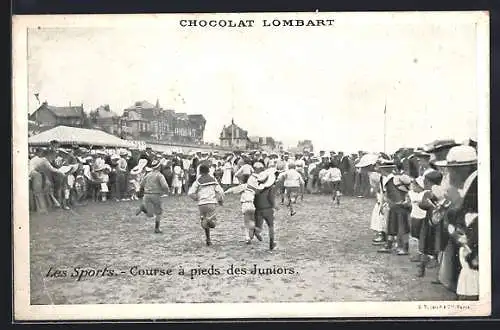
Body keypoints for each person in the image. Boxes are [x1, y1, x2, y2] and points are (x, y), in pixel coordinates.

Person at [225, 162, 267, 244]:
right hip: (254, 205)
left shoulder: (244, 186)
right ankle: (255, 231)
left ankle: (248, 237)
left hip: (246, 204)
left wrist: (225, 192)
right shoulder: (257, 185)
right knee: (252, 221)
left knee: (246, 222)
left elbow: (233, 189)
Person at [188, 164, 225, 246]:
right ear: (208, 171)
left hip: (201, 204)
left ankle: (208, 239)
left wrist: (196, 198)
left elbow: (190, 193)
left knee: (205, 222)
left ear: (200, 171)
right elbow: (221, 192)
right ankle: (208, 220)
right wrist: (220, 200)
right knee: (213, 223)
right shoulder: (213, 180)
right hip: (211, 202)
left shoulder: (198, 181)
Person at [138, 159, 170, 234]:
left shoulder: (147, 175)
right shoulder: (159, 175)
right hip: (155, 195)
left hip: (146, 195)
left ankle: (144, 209)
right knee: (158, 212)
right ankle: (157, 228)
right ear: (159, 167)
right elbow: (165, 186)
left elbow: (142, 184)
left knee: (150, 214)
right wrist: (167, 191)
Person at [254, 168, 279, 250]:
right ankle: (271, 243)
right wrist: (275, 206)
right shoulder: (270, 189)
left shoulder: (256, 189)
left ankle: (256, 231)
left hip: (258, 209)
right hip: (267, 209)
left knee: (259, 225)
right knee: (271, 226)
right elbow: (271, 199)